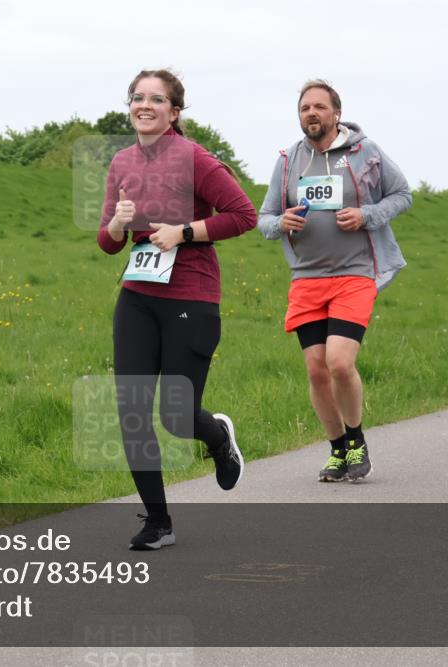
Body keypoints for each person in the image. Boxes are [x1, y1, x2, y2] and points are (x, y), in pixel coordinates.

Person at [98, 69, 256, 550]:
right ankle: (158, 522)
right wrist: (119, 226)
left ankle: (217, 435)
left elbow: (242, 215)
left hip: (191, 295)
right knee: (131, 411)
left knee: (175, 413)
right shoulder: (121, 162)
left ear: (174, 111)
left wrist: (184, 231)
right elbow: (107, 243)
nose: (144, 105)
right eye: (137, 97)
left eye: (155, 98)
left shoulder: (195, 159)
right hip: (138, 295)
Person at [258, 79, 411, 483]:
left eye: (319, 107)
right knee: (316, 371)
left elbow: (401, 194)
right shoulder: (289, 160)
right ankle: (337, 449)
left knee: (340, 363)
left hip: (354, 274)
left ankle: (357, 439)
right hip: (307, 279)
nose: (311, 113)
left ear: (336, 113)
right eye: (305, 107)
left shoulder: (366, 153)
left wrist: (367, 216)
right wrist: (280, 222)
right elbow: (264, 217)